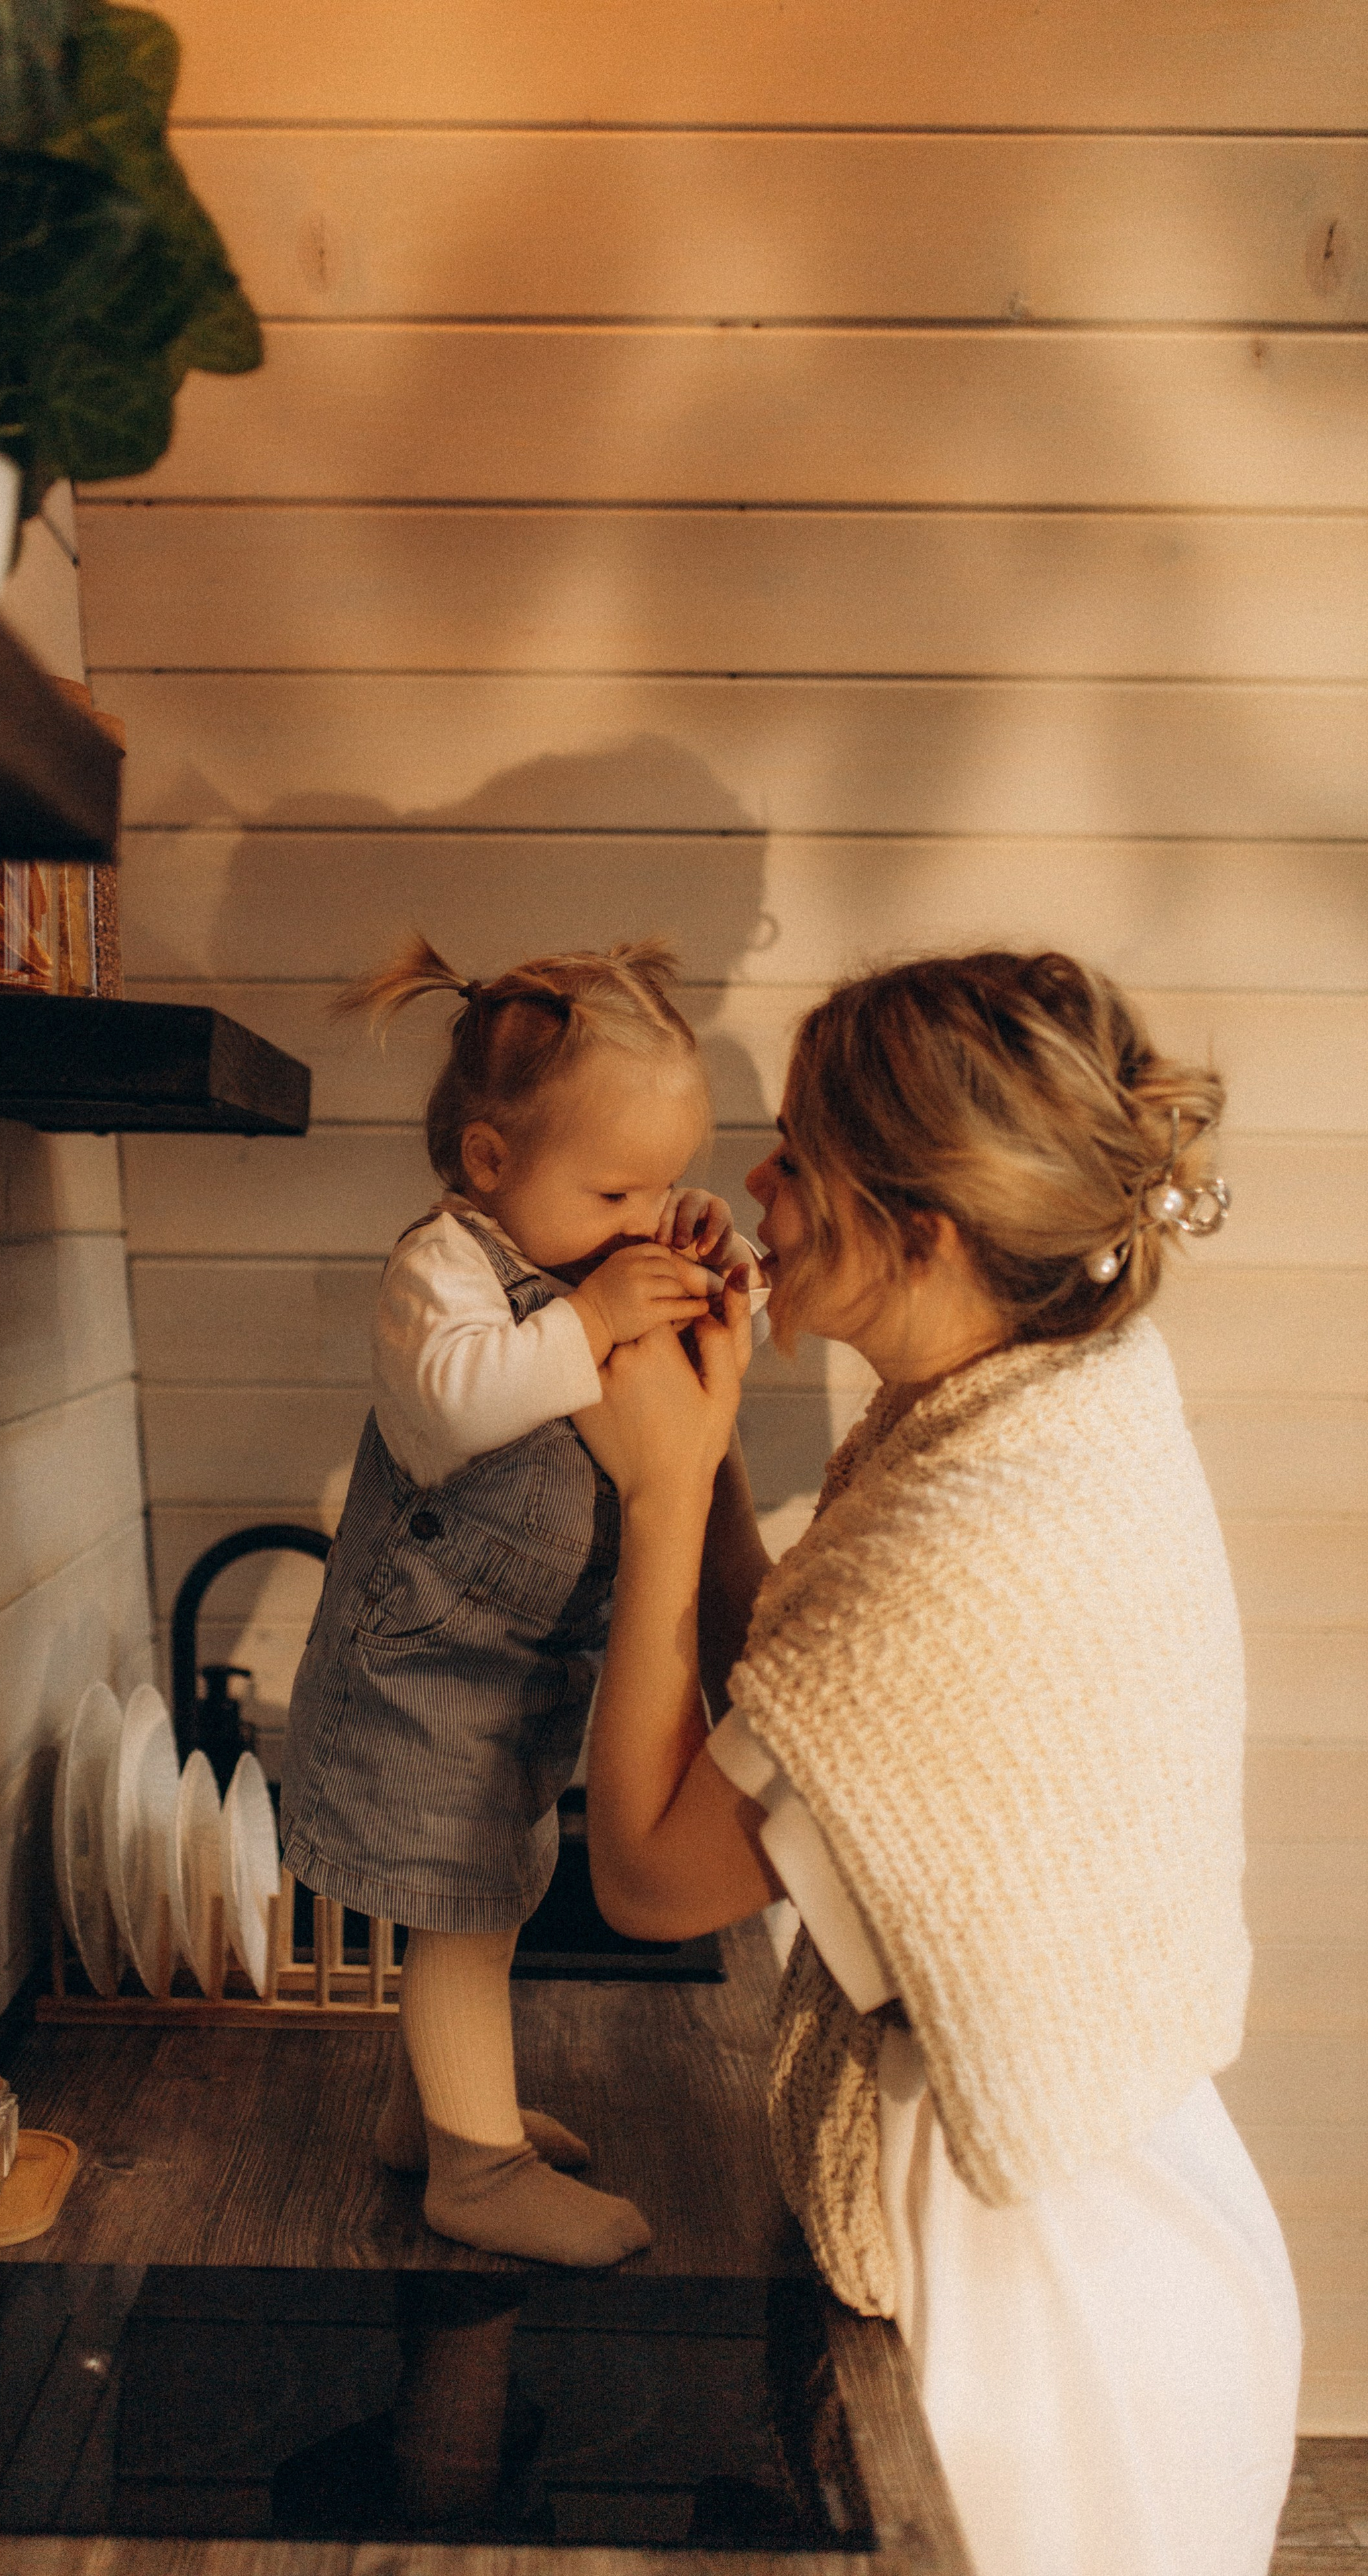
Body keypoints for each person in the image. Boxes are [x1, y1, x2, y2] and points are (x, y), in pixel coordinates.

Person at [573, 950, 1302, 2576]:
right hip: (1135, 2203)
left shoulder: (978, 1532)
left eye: (794, 1157)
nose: (748, 1183)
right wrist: (704, 1463)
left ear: (926, 1232)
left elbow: (648, 1872)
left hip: (1047, 2318)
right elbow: (820, 1701)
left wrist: (664, 1493)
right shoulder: (1053, 1399)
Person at [280, 934, 764, 2267]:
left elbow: (683, 1373)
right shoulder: (439, 1270)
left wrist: (703, 1268)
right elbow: (458, 1402)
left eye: (669, 1186)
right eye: (619, 1186)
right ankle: (473, 2174)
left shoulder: (580, 1253)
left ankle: (427, 2113)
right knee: (464, 1904)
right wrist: (595, 1314)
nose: (643, 1217)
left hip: (520, 1666)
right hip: (423, 1674)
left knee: (483, 1887)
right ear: (488, 1162)